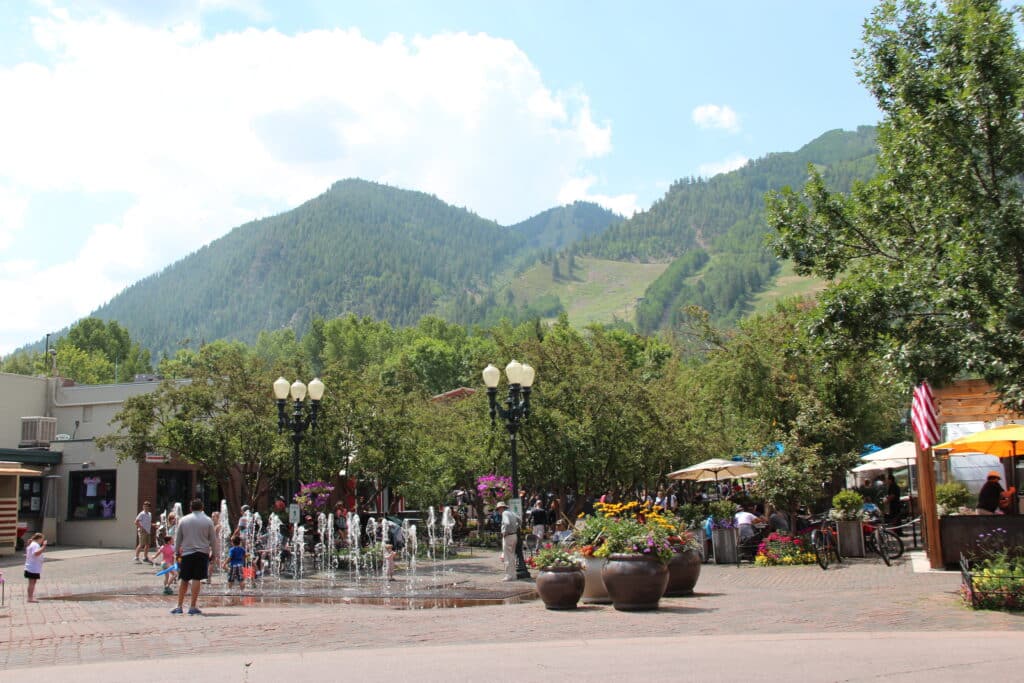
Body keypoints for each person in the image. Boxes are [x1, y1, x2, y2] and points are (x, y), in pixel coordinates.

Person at [172, 498, 216, 616]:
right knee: (197, 579)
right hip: (202, 553)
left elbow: (178, 539)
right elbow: (213, 539)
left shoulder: (184, 520)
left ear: (190, 508)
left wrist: (176, 552)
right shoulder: (208, 521)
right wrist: (214, 554)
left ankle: (179, 606)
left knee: (184, 579)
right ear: (202, 508)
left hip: (187, 553)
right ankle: (192, 606)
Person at [497, 500, 520, 581]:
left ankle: (508, 576)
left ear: (501, 508)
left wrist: (505, 532)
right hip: (514, 535)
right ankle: (513, 575)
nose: (498, 511)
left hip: (508, 536)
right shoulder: (512, 512)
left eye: (498, 509)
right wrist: (516, 528)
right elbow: (519, 520)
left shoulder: (504, 513)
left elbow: (506, 523)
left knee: (507, 557)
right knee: (512, 556)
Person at [24, 532, 46, 603]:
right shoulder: (35, 545)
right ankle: (30, 598)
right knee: (32, 583)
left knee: (32, 582)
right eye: (42, 539)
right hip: (32, 567)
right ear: (39, 539)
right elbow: (36, 553)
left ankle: (30, 597)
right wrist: (44, 546)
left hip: (31, 567)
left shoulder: (32, 544)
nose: (42, 541)